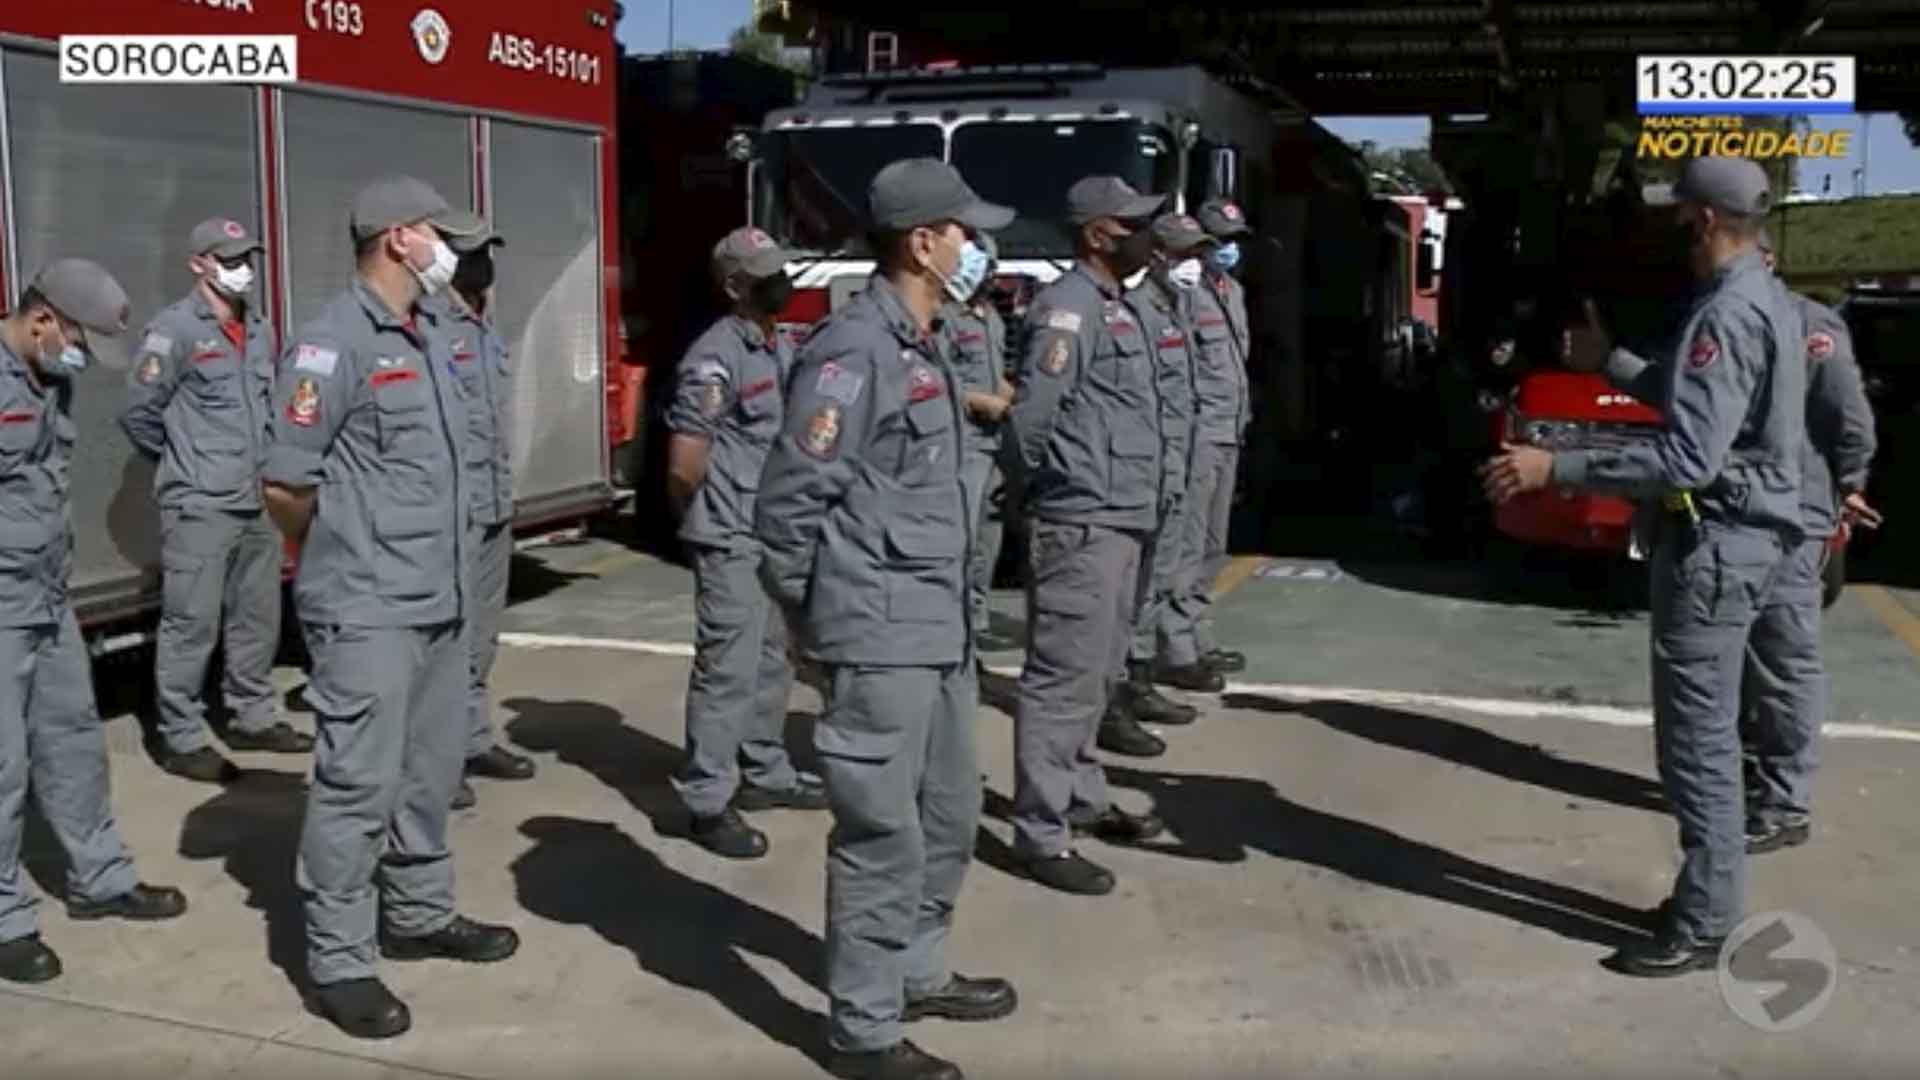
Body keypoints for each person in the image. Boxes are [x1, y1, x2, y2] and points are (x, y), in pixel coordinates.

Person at [1482, 157, 1804, 976]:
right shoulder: (1766, 303)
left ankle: (1703, 921)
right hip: (1754, 542)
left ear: (1701, 222)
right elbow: (1707, 406)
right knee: (1713, 738)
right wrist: (1613, 365)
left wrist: (1559, 468)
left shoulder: (1724, 315)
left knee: (1697, 745)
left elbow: (1690, 456)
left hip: (1715, 544)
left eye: (1677, 215)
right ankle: (1711, 900)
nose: (1669, 229)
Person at [757, 157, 1017, 1080]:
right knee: (880, 832)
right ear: (923, 241)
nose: (975, 247)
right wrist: (814, 622)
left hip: (938, 623)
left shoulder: (926, 337)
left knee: (949, 814)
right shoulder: (852, 351)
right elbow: (790, 508)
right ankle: (862, 1028)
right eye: (964, 232)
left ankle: (916, 969)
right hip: (876, 628)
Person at [262, 177, 518, 1038]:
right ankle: (339, 958)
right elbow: (286, 482)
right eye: (439, 233)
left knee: (430, 772)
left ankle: (417, 914)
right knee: (356, 785)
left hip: (441, 595)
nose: (452, 248)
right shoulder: (331, 344)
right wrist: (339, 549)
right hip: (368, 602)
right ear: (400, 238)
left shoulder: (441, 331)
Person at [0, 259, 188, 985]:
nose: (81, 358)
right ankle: (6, 920)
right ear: (42, 317)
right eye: (76, 338)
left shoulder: (52, 376)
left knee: (74, 738)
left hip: (46, 593)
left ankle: (100, 878)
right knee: (4, 762)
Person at [1004, 176, 1171, 898]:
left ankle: (1081, 794)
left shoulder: (1119, 304)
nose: (1147, 234)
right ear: (1099, 233)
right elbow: (1034, 417)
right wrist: (1034, 493)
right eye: (1133, 223)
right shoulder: (1068, 309)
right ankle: (1042, 830)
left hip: (1125, 510)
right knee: (1063, 679)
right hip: (1082, 515)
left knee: (1100, 673)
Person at [121, 218, 309, 784]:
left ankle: (251, 715)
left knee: (258, 617)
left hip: (257, 499)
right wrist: (187, 462)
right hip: (201, 504)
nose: (243, 268)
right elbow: (138, 412)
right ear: (198, 264)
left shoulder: (261, 331)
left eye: (247, 256)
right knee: (191, 623)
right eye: (229, 258)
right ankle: (180, 736)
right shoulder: (173, 331)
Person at [666, 226, 825, 859]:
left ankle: (765, 771)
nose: (781, 281)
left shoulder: (779, 345)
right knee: (726, 670)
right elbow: (684, 464)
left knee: (774, 659)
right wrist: (707, 521)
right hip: (731, 534)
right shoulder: (713, 358)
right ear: (735, 285)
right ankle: (708, 799)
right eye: (767, 272)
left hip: (775, 532)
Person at [1746, 231, 1877, 852]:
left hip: (1793, 516)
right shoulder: (1713, 318)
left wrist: (1850, 484)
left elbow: (1847, 416)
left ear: (1768, 260)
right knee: (1746, 661)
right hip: (1733, 517)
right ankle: (1757, 775)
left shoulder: (1810, 325)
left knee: (1785, 659)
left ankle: (1784, 802)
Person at [432, 215, 537, 813]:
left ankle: (472, 740)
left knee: (480, 639)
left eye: (487, 253)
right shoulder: (432, 330)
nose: (483, 265)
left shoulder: (483, 328)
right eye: (471, 255)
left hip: (494, 504)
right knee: (448, 642)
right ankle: (439, 761)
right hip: (455, 511)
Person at [1111, 213, 1211, 731]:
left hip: (1179, 461)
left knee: (1162, 573)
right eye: (1182, 255)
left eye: (1197, 254)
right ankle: (1127, 682)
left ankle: (1140, 673)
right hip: (1150, 466)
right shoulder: (1139, 313)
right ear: (1157, 259)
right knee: (1140, 583)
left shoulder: (1179, 307)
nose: (1192, 264)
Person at [1184, 198, 1255, 678]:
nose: (1230, 249)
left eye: (1236, 241)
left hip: (1229, 430)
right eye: (1222, 241)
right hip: (1197, 434)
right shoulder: (1185, 295)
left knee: (1213, 545)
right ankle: (1175, 648)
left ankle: (1195, 636)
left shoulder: (1232, 292)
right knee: (1185, 547)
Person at [940, 231, 1013, 656]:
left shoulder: (988, 315)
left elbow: (995, 371)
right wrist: (982, 403)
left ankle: (978, 618)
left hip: (993, 443)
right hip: (963, 441)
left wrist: (1011, 396)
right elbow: (940, 381)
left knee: (988, 538)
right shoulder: (945, 317)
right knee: (962, 540)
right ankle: (956, 623)